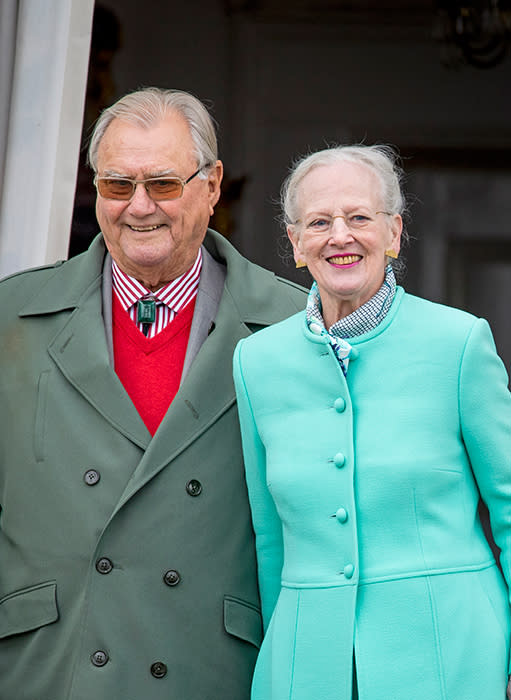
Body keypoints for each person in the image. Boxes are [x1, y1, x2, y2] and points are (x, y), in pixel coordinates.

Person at [0, 87, 306, 700]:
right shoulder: (13, 315)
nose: (139, 208)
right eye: (117, 185)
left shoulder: (294, 327)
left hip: (211, 670)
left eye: (163, 184)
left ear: (212, 185)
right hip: (50, 670)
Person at [233, 144, 511, 700]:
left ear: (394, 233)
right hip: (306, 664)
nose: (341, 236)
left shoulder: (458, 343)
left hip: (449, 657)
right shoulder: (256, 362)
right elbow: (270, 538)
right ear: (294, 243)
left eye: (359, 218)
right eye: (319, 222)